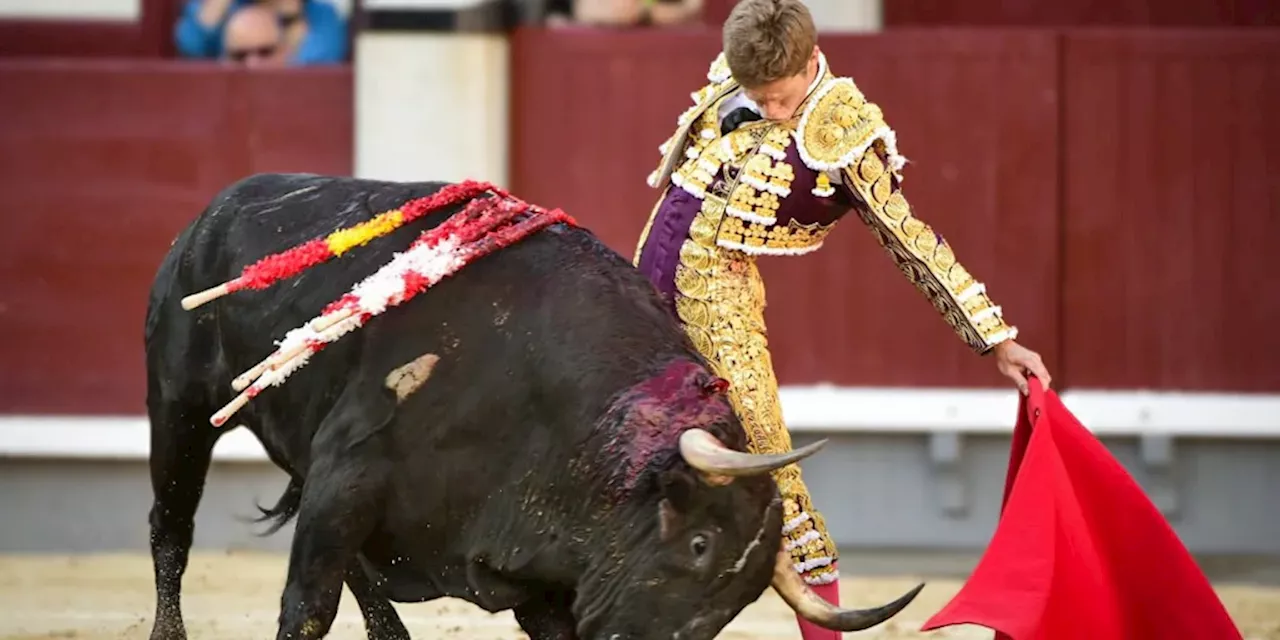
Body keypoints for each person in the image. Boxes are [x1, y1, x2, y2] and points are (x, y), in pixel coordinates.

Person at [630, 0, 1052, 638]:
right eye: (758, 96)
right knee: (631, 459)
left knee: (774, 477)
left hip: (722, 312)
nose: (772, 108)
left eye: (779, 97)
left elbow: (908, 238)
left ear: (809, 62)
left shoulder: (845, 128)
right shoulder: (733, 72)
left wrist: (994, 337)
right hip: (641, 293)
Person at [174, 0, 348, 65]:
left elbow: (319, 64)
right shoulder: (227, 8)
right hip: (230, 107)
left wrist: (291, 18)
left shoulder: (321, 15)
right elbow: (191, 45)